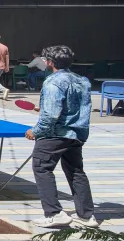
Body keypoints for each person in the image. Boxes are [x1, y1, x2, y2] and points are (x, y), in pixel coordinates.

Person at [25, 45, 97, 229]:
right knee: (76, 172)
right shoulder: (82, 81)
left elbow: (50, 116)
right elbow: (77, 107)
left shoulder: (52, 82)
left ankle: (54, 213)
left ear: (50, 62)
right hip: (76, 134)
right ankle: (87, 216)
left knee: (41, 168)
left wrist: (36, 131)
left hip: (55, 134)